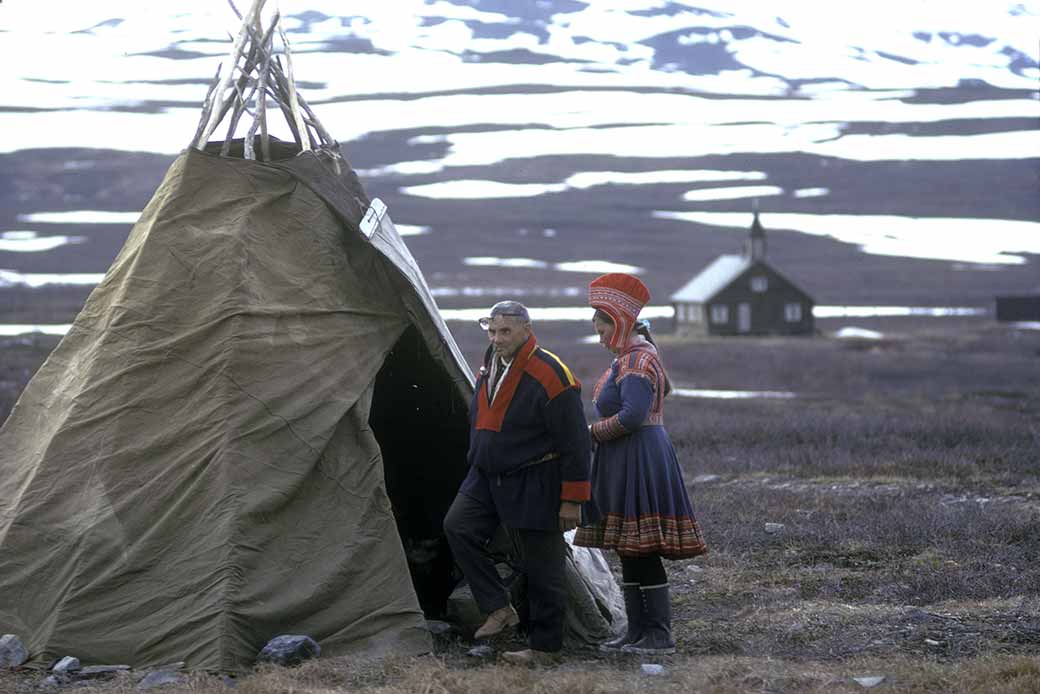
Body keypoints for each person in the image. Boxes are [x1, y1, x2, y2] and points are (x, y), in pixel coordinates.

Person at [443, 300, 591, 665]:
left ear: (527, 329)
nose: (497, 338)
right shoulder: (491, 363)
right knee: (458, 526)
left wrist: (572, 499)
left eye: (505, 331)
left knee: (543, 564)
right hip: (485, 476)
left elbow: (575, 440)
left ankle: (545, 649)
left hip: (534, 477)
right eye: (491, 330)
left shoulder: (552, 372)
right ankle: (498, 606)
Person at [574, 273, 708, 655]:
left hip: (638, 455)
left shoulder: (637, 358)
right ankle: (636, 633)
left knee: (641, 547)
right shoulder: (634, 355)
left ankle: (659, 634)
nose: (599, 335)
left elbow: (632, 416)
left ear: (617, 320)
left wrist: (590, 432)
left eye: (601, 326)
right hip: (628, 455)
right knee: (629, 547)